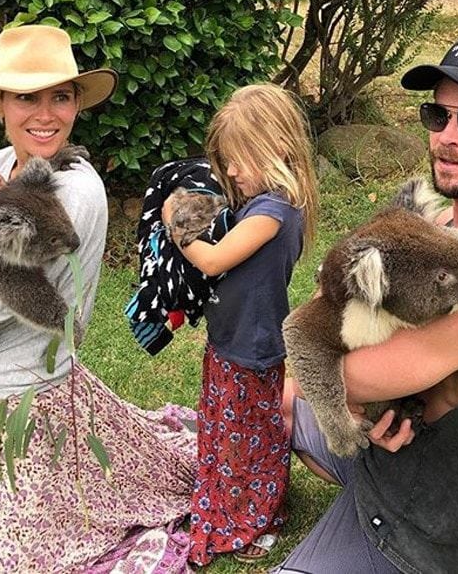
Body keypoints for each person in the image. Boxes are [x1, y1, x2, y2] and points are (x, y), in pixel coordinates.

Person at [272, 24, 458, 574]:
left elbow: (308, 363)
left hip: (420, 529)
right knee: (282, 407)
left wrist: (333, 368)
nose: (448, 136)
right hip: (405, 458)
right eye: (438, 115)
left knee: (287, 392)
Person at [0, 25, 197, 573]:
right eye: (26, 97)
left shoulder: (75, 191)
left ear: (77, 104)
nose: (46, 114)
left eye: (60, 96)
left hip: (26, 386)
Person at [162, 84, 319, 566]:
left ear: (279, 149)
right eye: (227, 159)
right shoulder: (263, 202)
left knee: (246, 437)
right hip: (233, 340)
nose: (230, 170)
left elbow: (211, 262)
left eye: (240, 159)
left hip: (249, 347)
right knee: (235, 430)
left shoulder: (273, 212)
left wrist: (176, 225)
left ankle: (248, 520)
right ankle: (245, 504)